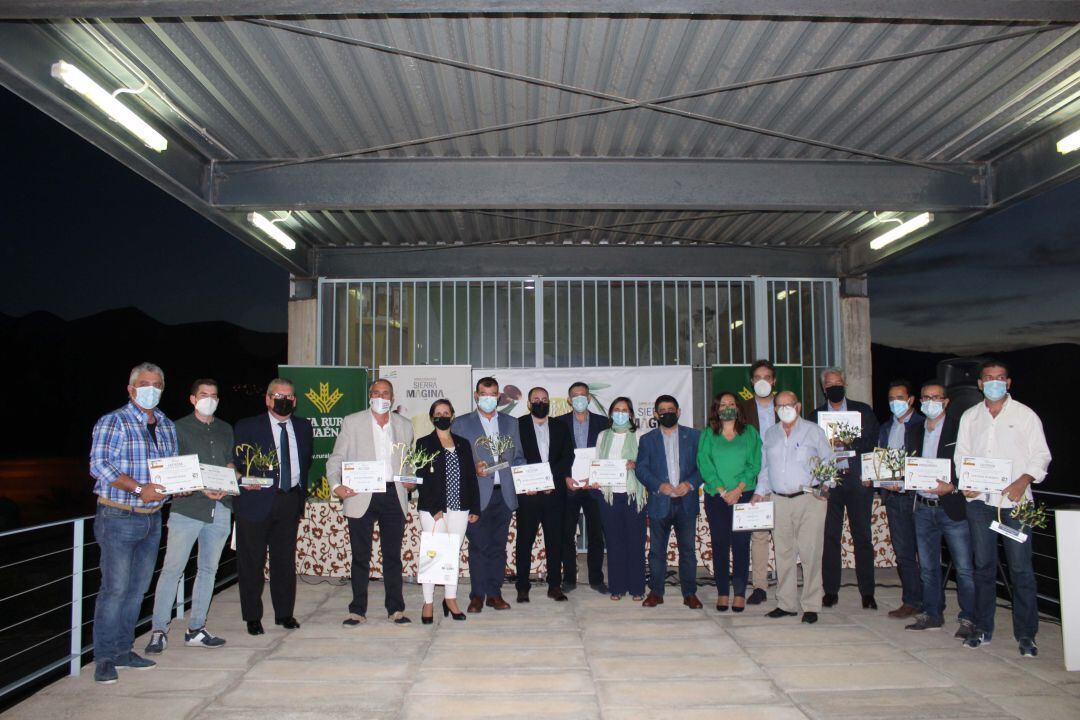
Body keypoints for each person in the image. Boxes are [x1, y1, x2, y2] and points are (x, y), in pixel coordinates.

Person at [956, 360, 1051, 656]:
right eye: (988, 378)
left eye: (1000, 378)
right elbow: (962, 456)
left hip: (1015, 506)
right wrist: (966, 482)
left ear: (1008, 383)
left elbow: (1041, 456)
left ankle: (1026, 634)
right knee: (983, 567)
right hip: (980, 504)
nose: (994, 382)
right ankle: (983, 628)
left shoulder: (1025, 415)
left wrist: (1024, 480)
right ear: (980, 384)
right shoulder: (970, 417)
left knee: (1021, 569)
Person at [89, 362, 175, 684]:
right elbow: (100, 466)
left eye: (156, 384)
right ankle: (105, 658)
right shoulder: (114, 422)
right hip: (118, 516)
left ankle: (124, 650)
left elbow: (169, 468)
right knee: (115, 589)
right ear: (131, 388)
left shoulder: (165, 424)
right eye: (144, 383)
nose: (150, 389)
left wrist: (179, 485)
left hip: (153, 519)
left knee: (138, 589)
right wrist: (140, 489)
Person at [146, 378, 233, 654]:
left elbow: (229, 461)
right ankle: (159, 629)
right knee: (173, 569)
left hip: (220, 509)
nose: (210, 399)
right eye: (204, 395)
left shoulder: (225, 428)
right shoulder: (176, 428)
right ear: (193, 399)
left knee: (208, 570)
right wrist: (200, 487)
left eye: (215, 395)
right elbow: (170, 469)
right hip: (188, 510)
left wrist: (230, 482)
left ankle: (196, 628)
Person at [327, 379, 414, 626]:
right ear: (369, 395)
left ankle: (395, 609)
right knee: (360, 556)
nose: (381, 396)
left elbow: (408, 461)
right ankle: (357, 609)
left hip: (393, 495)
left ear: (393, 397)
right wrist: (336, 485)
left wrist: (410, 480)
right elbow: (335, 458)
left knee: (393, 556)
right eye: (376, 392)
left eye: (385, 393)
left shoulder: (405, 425)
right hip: (360, 493)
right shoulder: (352, 422)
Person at [232, 378, 313, 636]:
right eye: (278, 395)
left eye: (289, 396)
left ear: (295, 401)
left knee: (284, 561)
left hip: (289, 500)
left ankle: (284, 614)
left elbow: (306, 461)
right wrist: (243, 481)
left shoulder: (303, 426)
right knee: (252, 562)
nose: (284, 400)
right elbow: (235, 462)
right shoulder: (247, 426)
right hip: (254, 502)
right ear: (267, 399)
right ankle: (253, 617)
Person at [753, 391, 832, 624]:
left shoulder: (813, 431)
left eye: (788, 404)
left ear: (798, 406)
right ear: (775, 409)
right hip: (779, 500)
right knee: (784, 552)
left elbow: (828, 461)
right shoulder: (770, 434)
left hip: (809, 499)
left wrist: (826, 488)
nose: (784, 408)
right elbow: (765, 468)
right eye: (779, 405)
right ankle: (786, 603)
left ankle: (811, 604)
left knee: (810, 552)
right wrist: (759, 492)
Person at [905, 381, 976, 637]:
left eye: (936, 398)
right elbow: (909, 464)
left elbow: (970, 466)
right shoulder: (914, 430)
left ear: (946, 402)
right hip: (923, 507)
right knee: (927, 567)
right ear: (920, 402)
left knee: (964, 568)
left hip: (951, 507)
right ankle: (933, 613)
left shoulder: (959, 430)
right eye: (926, 398)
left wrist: (954, 486)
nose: (930, 402)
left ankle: (969, 618)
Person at [452, 377, 526, 612]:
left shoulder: (511, 423)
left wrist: (527, 472)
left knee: (498, 547)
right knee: (477, 547)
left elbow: (519, 456)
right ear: (476, 396)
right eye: (483, 394)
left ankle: (495, 594)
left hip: (503, 494)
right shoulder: (461, 424)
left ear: (498, 397)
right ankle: (477, 596)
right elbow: (453, 462)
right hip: (476, 496)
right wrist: (471, 468)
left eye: (492, 394)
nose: (488, 398)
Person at [810, 367, 880, 609]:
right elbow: (811, 452)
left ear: (845, 384)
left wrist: (849, 443)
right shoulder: (815, 416)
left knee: (862, 536)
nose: (834, 387)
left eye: (838, 382)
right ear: (823, 388)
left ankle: (867, 593)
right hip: (830, 483)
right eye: (829, 384)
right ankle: (830, 590)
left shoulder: (863, 411)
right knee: (830, 537)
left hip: (858, 482)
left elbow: (873, 442)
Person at [415, 400, 481, 623]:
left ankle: (450, 599)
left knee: (452, 554)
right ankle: (428, 602)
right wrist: (435, 508)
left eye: (446, 412)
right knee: (433, 556)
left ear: (452, 416)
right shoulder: (424, 443)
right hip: (434, 510)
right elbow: (421, 478)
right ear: (432, 417)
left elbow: (471, 478)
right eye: (438, 413)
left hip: (460, 509)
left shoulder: (463, 443)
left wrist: (475, 507)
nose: (442, 416)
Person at [637, 395, 703, 609]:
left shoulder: (694, 436)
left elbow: (703, 466)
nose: (667, 413)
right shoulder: (647, 440)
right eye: (662, 410)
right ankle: (656, 592)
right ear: (656, 414)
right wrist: (658, 485)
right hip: (660, 501)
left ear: (679, 411)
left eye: (671, 409)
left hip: (686, 501)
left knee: (687, 551)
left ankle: (690, 593)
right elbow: (641, 469)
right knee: (657, 551)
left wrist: (691, 484)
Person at [698, 391, 762, 612]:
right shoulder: (708, 434)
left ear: (738, 408)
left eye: (731, 404)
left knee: (741, 544)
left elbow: (755, 464)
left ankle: (740, 593)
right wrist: (723, 490)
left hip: (743, 495)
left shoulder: (750, 433)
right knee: (720, 544)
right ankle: (723, 592)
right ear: (716, 409)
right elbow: (704, 464)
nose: (727, 407)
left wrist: (738, 489)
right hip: (717, 496)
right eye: (722, 404)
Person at [516, 387, 574, 603]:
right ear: (529, 404)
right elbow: (514, 456)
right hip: (528, 495)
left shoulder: (560, 426)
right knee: (524, 542)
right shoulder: (518, 425)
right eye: (536, 399)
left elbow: (567, 457)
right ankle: (522, 586)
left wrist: (550, 480)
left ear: (549, 402)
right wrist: (526, 482)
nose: (541, 402)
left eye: (544, 399)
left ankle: (555, 586)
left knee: (554, 541)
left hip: (554, 494)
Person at [878, 379, 925, 620]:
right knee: (904, 552)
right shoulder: (886, 428)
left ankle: (931, 602)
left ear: (910, 400)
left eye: (900, 398)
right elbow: (879, 460)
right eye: (891, 399)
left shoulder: (923, 425)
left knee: (926, 553)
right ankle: (911, 601)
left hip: (918, 497)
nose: (895, 403)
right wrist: (874, 478)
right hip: (894, 497)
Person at [593, 396, 648, 601]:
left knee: (635, 541)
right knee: (614, 542)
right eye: (617, 409)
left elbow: (647, 463)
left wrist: (636, 464)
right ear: (611, 413)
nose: (621, 413)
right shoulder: (602, 436)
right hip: (608, 495)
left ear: (631, 414)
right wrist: (596, 477)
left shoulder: (641, 435)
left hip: (634, 495)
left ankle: (637, 588)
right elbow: (597, 461)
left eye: (625, 410)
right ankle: (617, 587)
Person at [557, 381, 609, 593]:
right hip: (569, 486)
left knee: (597, 534)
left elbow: (607, 454)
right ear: (569, 400)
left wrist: (597, 476)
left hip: (594, 486)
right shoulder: (558, 423)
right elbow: (556, 456)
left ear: (588, 398)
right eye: (575, 395)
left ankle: (596, 579)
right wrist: (564, 477)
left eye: (583, 395)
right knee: (566, 534)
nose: (579, 399)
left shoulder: (603, 423)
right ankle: (569, 578)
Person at [738, 359, 779, 605]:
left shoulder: (785, 407)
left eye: (767, 377)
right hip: (755, 482)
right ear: (752, 382)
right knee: (759, 535)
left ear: (773, 381)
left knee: (784, 536)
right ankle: (760, 587)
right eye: (757, 377)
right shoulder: (742, 409)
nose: (762, 381)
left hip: (784, 482)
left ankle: (786, 585)